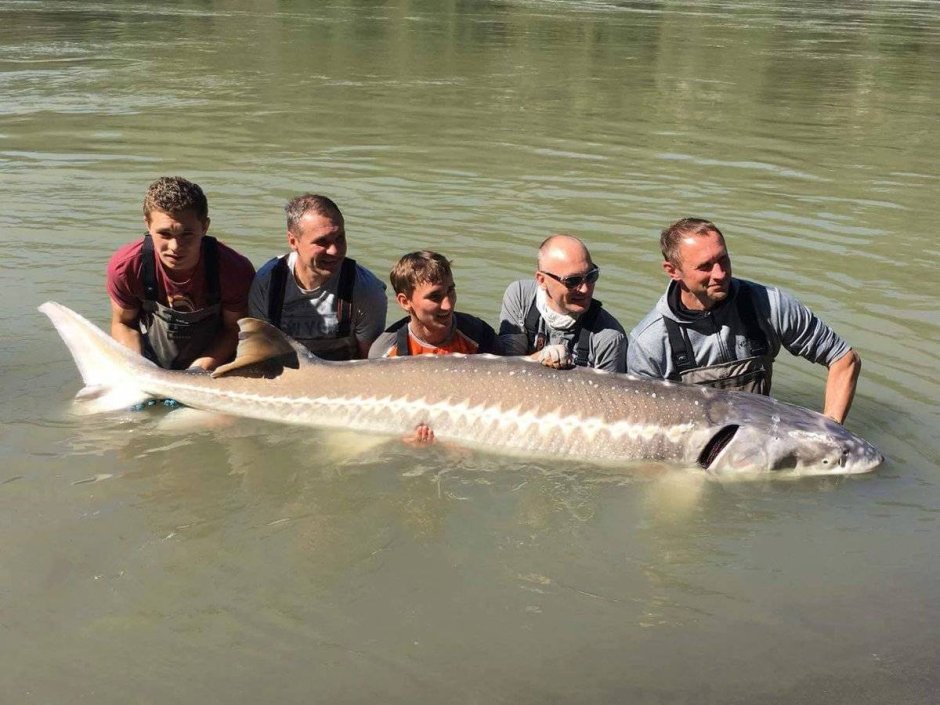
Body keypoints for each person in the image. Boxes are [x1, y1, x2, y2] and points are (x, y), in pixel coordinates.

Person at [627, 217, 861, 423]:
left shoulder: (770, 304)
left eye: (723, 260)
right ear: (672, 271)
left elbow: (844, 359)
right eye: (705, 267)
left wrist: (830, 429)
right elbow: (644, 426)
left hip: (760, 434)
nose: (720, 274)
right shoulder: (649, 342)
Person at [107, 176, 255, 371]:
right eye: (165, 234)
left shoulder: (234, 269)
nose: (176, 247)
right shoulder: (127, 267)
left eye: (187, 234)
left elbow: (234, 329)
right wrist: (138, 366)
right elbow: (123, 323)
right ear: (148, 225)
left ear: (204, 227)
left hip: (212, 367)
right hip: (151, 363)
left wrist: (199, 369)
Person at [249, 194, 387, 360]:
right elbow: (258, 351)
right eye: (322, 242)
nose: (335, 251)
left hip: (341, 375)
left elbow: (368, 364)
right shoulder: (268, 281)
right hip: (284, 372)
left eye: (339, 238)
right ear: (293, 241)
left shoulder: (367, 290)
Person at [497, 234, 627, 372]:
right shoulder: (519, 295)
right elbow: (507, 367)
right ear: (541, 280)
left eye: (591, 276)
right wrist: (540, 358)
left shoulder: (610, 338)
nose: (585, 289)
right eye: (572, 281)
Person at [369, 251, 499, 358]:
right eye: (435, 296)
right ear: (405, 302)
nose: (448, 305)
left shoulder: (481, 335)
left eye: (450, 290)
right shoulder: (384, 353)